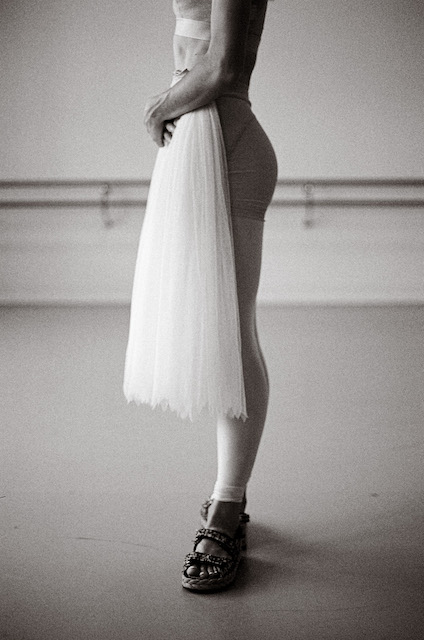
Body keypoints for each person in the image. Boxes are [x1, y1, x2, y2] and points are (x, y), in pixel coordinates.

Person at [124, 0, 277, 592]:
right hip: (198, 146)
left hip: (226, 147)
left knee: (234, 330)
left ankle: (226, 509)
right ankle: (227, 500)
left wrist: (158, 107)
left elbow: (223, 66)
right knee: (220, 328)